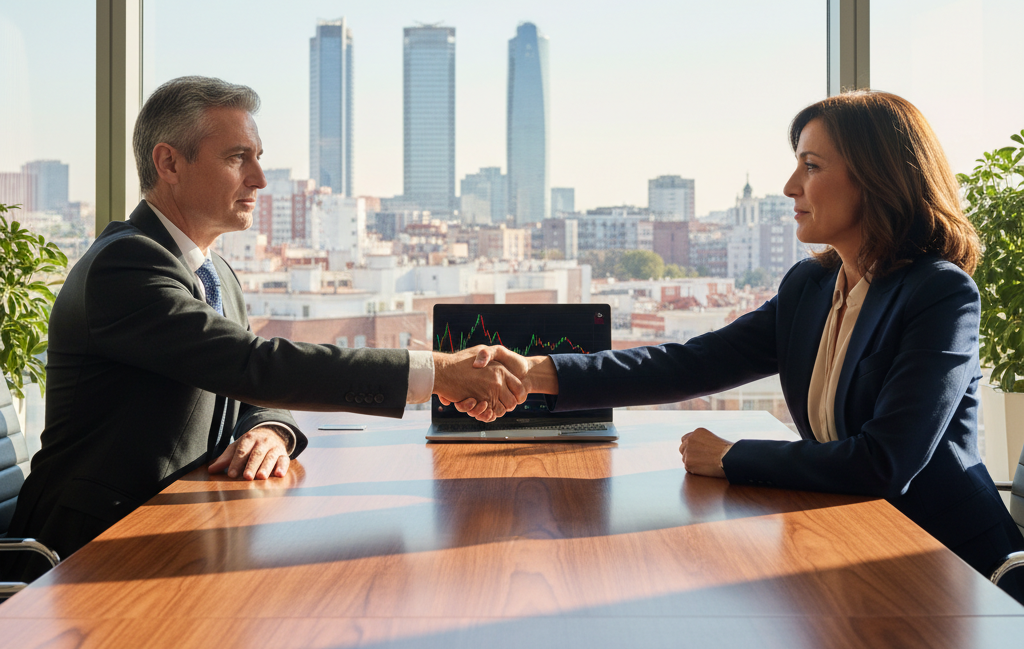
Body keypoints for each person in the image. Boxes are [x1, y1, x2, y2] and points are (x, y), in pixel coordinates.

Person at [465, 91, 1024, 602]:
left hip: (950, 567)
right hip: (851, 543)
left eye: (811, 166)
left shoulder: (939, 293)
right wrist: (536, 372)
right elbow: (695, 362)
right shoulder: (809, 288)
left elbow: (885, 462)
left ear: (876, 179)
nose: (789, 187)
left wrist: (732, 456)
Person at [6, 76, 523, 569]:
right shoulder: (125, 267)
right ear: (169, 162)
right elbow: (253, 364)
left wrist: (270, 429)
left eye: (257, 158)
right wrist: (437, 373)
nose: (259, 178)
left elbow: (250, 386)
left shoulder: (214, 272)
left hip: (180, 522)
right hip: (90, 544)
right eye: (238, 158)